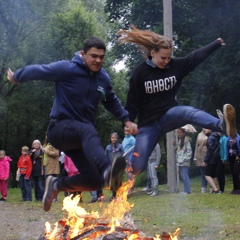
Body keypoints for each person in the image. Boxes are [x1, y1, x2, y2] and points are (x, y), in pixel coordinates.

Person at [7, 37, 137, 211]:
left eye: (101, 57)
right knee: (87, 129)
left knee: (95, 180)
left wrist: (126, 119)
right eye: (94, 56)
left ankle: (56, 185)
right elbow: (41, 70)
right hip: (59, 129)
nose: (98, 60)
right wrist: (18, 76)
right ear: (83, 54)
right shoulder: (67, 69)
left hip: (80, 138)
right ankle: (108, 170)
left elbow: (111, 100)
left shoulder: (102, 78)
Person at [117, 25, 236, 177]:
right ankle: (125, 167)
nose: (166, 61)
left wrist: (216, 43)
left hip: (169, 115)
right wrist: (128, 122)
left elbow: (194, 58)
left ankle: (222, 125)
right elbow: (132, 102)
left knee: (187, 112)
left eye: (169, 57)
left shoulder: (175, 66)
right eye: (163, 58)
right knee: (138, 166)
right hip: (148, 125)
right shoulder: (140, 73)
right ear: (153, 53)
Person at [105, 132, 124, 201]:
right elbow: (105, 157)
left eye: (115, 138)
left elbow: (123, 155)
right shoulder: (108, 147)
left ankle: (120, 195)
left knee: (119, 180)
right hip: (111, 167)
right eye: (112, 138)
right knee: (112, 181)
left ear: (117, 138)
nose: (114, 139)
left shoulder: (120, 146)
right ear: (110, 139)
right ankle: (114, 195)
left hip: (118, 166)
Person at [42, 135, 60, 202]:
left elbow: (56, 154)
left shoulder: (55, 144)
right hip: (45, 165)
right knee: (46, 183)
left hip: (52, 166)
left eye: (48, 135)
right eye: (46, 136)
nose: (47, 137)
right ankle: (48, 198)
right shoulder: (45, 144)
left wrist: (45, 151)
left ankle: (54, 198)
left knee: (52, 182)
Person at [175, 128, 192, 194]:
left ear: (183, 133)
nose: (179, 134)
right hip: (180, 161)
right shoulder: (180, 141)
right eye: (178, 132)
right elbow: (179, 150)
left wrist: (185, 158)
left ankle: (187, 190)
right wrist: (175, 146)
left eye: (180, 132)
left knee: (185, 175)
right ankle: (185, 190)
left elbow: (189, 151)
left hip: (184, 161)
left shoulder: (186, 140)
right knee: (182, 175)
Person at [193, 128, 210, 193]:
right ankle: (203, 187)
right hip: (200, 154)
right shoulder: (199, 134)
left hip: (207, 153)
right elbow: (196, 146)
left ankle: (211, 186)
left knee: (209, 171)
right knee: (202, 172)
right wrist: (195, 157)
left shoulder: (209, 135)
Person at [122, 128, 136, 194]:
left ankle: (131, 189)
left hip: (130, 159)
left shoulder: (132, 139)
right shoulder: (125, 139)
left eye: (128, 130)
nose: (126, 131)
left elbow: (136, 147)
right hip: (125, 158)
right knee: (128, 174)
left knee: (130, 174)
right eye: (125, 130)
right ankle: (130, 188)